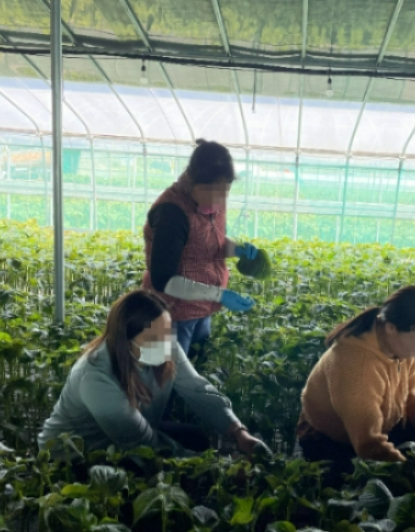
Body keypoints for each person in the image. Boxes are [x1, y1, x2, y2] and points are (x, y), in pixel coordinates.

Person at [38, 290, 268, 459]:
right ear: (124, 339)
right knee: (140, 470)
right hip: (78, 454)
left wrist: (239, 433)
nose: (164, 344)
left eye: (167, 333)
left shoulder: (166, 346)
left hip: (127, 438)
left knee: (195, 438)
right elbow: (142, 445)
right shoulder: (95, 376)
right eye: (152, 339)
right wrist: (219, 467)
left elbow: (198, 390)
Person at [297, 285, 415, 487]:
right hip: (330, 439)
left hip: (382, 422)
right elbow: (369, 444)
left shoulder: (403, 348)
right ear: (391, 328)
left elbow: (411, 399)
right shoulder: (355, 364)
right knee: (363, 487)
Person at [141, 139, 263, 359]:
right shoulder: (171, 213)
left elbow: (208, 244)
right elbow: (164, 280)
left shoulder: (211, 202)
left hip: (202, 308)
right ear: (194, 183)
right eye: (215, 191)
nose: (221, 199)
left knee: (198, 366)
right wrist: (219, 294)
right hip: (173, 313)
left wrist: (237, 250)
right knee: (170, 376)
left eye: (226, 191)